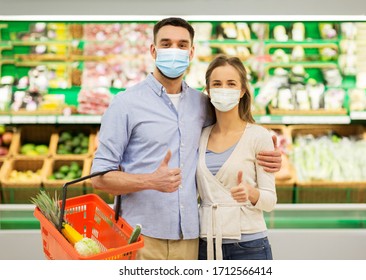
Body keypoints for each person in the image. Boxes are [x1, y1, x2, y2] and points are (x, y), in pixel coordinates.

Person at [91, 17, 281, 260]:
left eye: (182, 45)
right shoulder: (125, 104)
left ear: (191, 52)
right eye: (166, 43)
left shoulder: (202, 104)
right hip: (142, 238)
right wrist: (150, 180)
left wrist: (268, 158)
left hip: (192, 238)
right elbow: (100, 178)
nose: (174, 51)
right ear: (153, 50)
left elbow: (233, 133)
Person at [197, 54, 276, 260]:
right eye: (217, 83)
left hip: (249, 246)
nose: (223, 89)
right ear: (208, 91)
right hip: (207, 246)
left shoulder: (258, 136)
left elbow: (270, 201)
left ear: (242, 91)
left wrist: (251, 193)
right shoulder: (200, 137)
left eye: (231, 83)